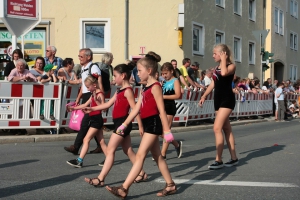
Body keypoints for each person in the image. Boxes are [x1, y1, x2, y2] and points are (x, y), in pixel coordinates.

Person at [105, 53, 177, 198]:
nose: (137, 74)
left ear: (149, 71)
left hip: (153, 123)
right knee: (157, 156)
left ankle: (124, 188)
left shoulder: (156, 86)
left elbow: (162, 110)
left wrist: (167, 130)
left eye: (139, 71)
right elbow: (137, 108)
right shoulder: (145, 87)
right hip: (147, 122)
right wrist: (124, 124)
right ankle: (170, 185)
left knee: (140, 155)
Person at [83, 64, 148, 186]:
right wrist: (91, 109)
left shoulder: (128, 91)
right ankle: (142, 173)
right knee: (128, 150)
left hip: (123, 123)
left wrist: (140, 126)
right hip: (119, 122)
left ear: (123, 76)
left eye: (115, 76)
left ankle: (100, 178)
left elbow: (135, 109)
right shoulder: (119, 90)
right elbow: (107, 105)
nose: (113, 79)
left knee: (110, 150)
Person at [198, 44, 239, 169]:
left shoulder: (231, 66)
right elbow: (212, 84)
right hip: (218, 100)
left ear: (222, 54)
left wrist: (224, 60)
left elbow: (225, 73)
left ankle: (218, 160)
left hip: (227, 99)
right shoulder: (216, 68)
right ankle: (234, 158)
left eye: (215, 53)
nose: (213, 55)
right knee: (226, 129)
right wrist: (204, 96)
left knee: (217, 128)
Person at [64, 48, 104, 155]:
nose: (79, 58)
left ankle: (76, 147)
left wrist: (100, 94)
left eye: (81, 56)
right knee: (92, 122)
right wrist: (78, 98)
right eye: (79, 56)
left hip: (92, 95)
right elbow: (83, 85)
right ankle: (101, 146)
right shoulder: (83, 68)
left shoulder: (93, 67)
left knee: (85, 123)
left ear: (88, 57)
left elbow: (98, 81)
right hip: (87, 95)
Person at [66, 74, 105, 167]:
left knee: (86, 139)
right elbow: (85, 105)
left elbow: (104, 108)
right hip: (93, 119)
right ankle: (109, 158)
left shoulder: (99, 94)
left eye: (88, 87)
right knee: (101, 141)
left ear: (94, 85)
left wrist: (96, 100)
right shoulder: (93, 94)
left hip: (97, 120)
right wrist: (73, 108)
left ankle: (79, 160)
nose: (87, 89)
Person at [159, 62, 182, 159]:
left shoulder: (175, 81)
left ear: (171, 71)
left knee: (166, 131)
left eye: (166, 73)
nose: (164, 76)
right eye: (163, 74)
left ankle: (163, 153)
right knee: (160, 131)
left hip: (170, 107)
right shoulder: (164, 81)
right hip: (162, 106)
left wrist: (164, 96)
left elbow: (178, 95)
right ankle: (177, 144)